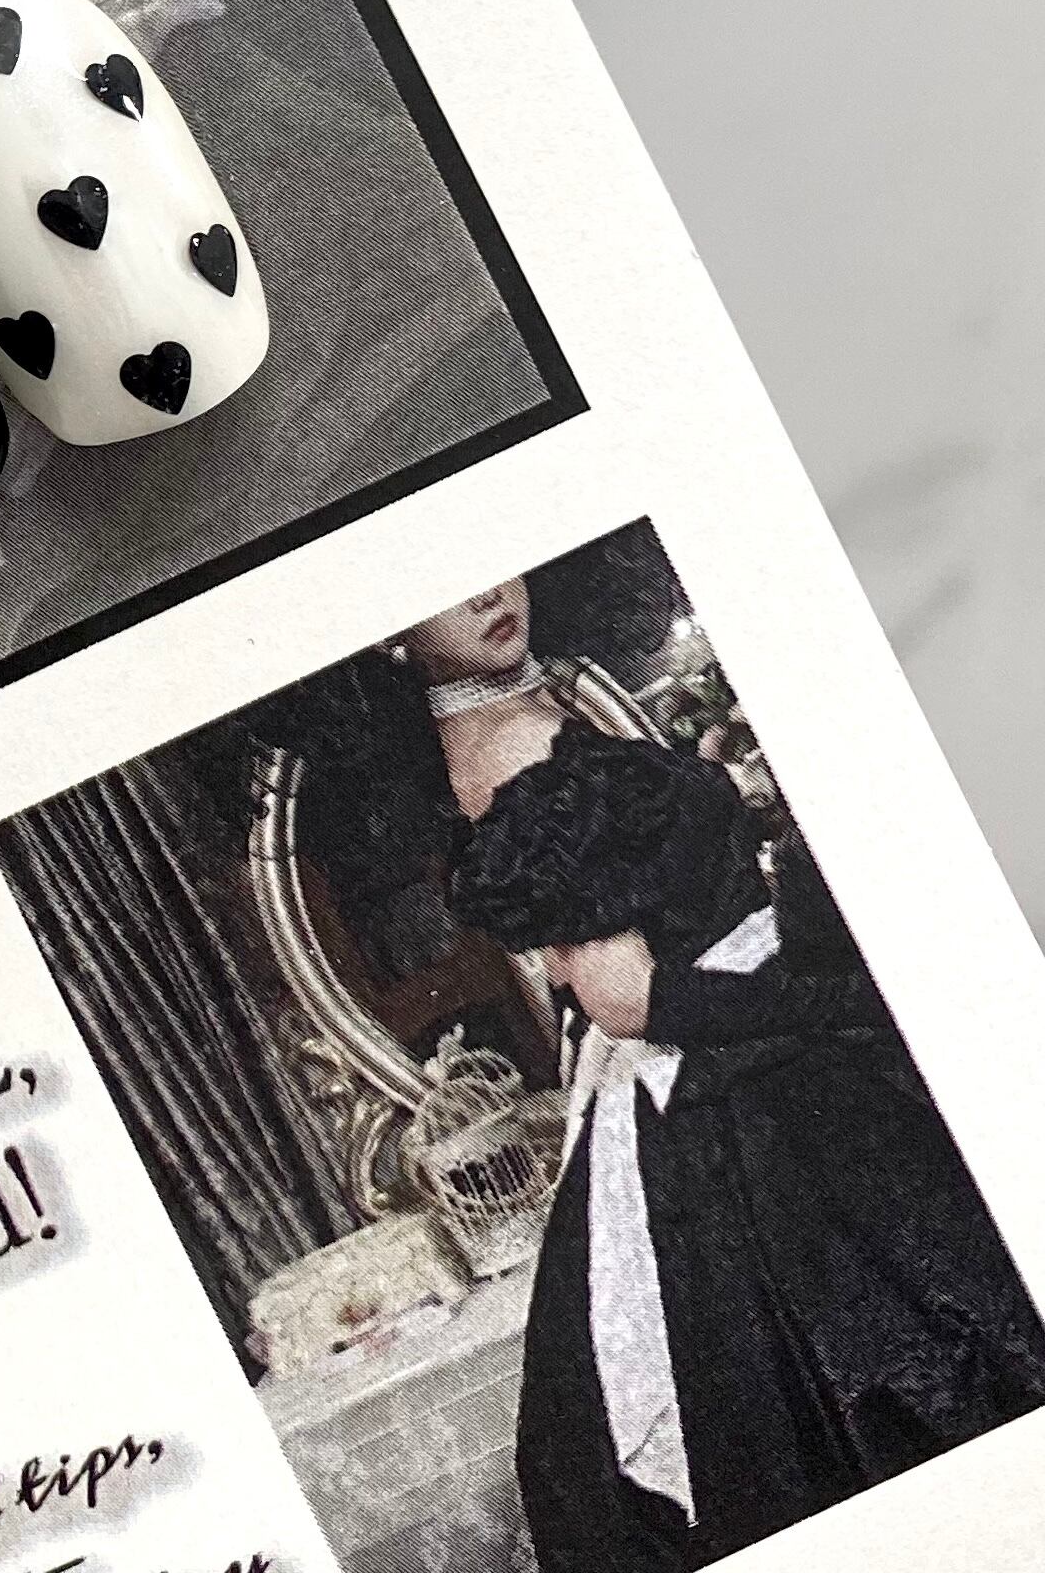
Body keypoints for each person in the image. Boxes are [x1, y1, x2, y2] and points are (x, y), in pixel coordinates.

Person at [378, 578, 1045, 1566]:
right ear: (389, 635)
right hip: (730, 1088)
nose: (483, 593)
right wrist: (836, 1002)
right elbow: (625, 998)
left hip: (749, 1060)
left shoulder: (526, 714)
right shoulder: (505, 747)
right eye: (437, 588)